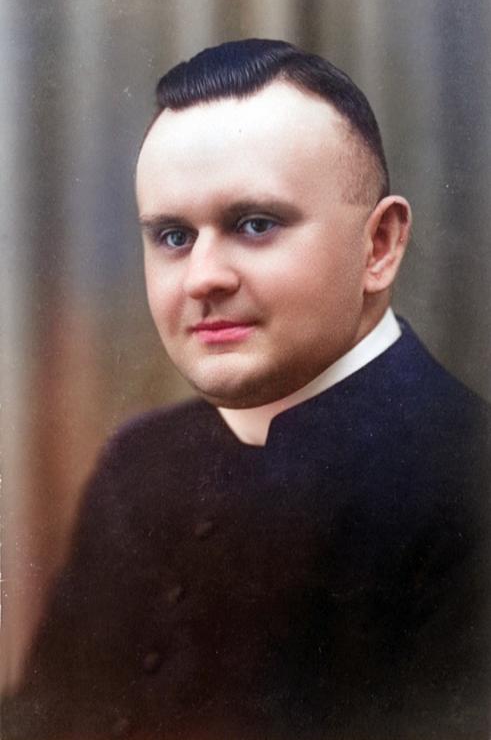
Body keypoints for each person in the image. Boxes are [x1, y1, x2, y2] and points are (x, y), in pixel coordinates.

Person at [2, 39, 490, 740]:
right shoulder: (138, 464)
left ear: (379, 245)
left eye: (255, 225)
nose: (203, 277)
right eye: (173, 236)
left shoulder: (469, 488)